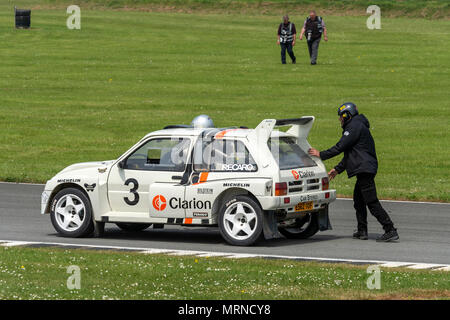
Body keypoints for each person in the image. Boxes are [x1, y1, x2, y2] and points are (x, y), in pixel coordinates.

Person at [308, 103, 399, 242]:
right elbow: (351, 153)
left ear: (347, 115)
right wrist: (338, 169)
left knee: (371, 201)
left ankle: (390, 229)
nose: (340, 120)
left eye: (341, 117)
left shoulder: (354, 127)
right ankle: (362, 230)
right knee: (359, 200)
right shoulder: (357, 125)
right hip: (365, 168)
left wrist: (321, 154)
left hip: (365, 169)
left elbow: (340, 147)